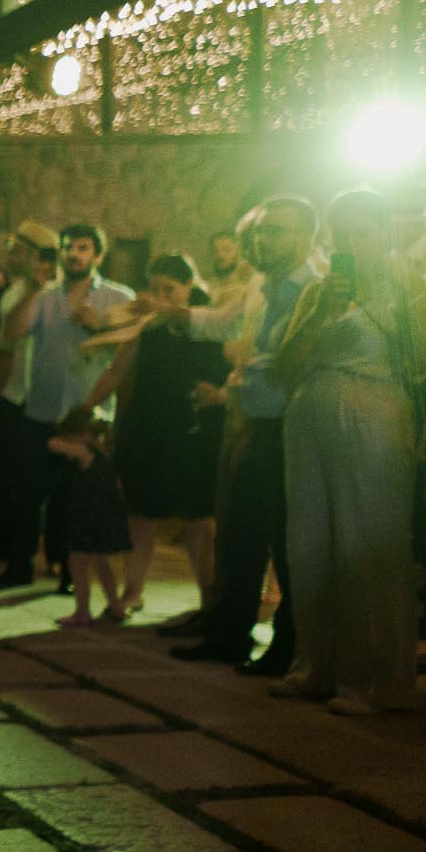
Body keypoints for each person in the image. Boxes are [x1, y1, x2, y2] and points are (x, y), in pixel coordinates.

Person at [140, 197, 318, 674]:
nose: (262, 241)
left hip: (289, 427)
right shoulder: (261, 284)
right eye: (258, 232)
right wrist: (173, 313)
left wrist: (247, 366)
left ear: (306, 235)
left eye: (275, 231)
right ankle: (228, 637)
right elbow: (226, 322)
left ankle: (286, 648)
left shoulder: (317, 289)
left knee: (286, 545)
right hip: (251, 423)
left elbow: (291, 357)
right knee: (239, 538)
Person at [269, 191, 419, 713]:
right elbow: (282, 368)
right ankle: (317, 665)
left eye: (363, 231)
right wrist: (320, 314)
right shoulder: (317, 294)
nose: (353, 242)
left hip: (375, 420)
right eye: (343, 234)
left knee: (367, 545)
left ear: (383, 232)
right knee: (310, 545)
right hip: (309, 423)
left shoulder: (408, 292)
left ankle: (378, 679)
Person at [0, 222, 134, 588]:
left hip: (87, 413)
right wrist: (34, 289)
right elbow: (11, 334)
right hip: (41, 409)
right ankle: (19, 567)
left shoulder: (118, 297)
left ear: (98, 255)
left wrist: (101, 327)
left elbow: (132, 348)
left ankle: (73, 573)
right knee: (28, 494)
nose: (74, 254)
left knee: (78, 500)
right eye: (68, 247)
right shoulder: (46, 295)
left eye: (83, 248)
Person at [95, 254, 227, 613]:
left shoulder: (207, 326)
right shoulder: (147, 329)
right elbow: (117, 371)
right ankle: (132, 591)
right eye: (155, 288)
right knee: (140, 514)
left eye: (169, 289)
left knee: (198, 519)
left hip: (189, 432)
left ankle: (208, 599)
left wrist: (215, 392)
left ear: (188, 288)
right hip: (146, 427)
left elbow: (229, 370)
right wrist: (87, 407)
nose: (160, 296)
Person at [0, 221, 58, 563]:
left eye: (18, 250)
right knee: (11, 480)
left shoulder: (63, 294)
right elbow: (9, 341)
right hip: (17, 397)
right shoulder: (16, 294)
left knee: (52, 484)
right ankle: (12, 552)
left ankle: (58, 559)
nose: (11, 255)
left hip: (53, 400)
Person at [47, 405, 132, 626]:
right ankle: (115, 606)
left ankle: (83, 611)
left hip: (89, 520)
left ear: (83, 435)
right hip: (102, 518)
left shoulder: (86, 452)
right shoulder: (103, 453)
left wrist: (57, 440)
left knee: (77, 564)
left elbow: (54, 445)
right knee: (102, 565)